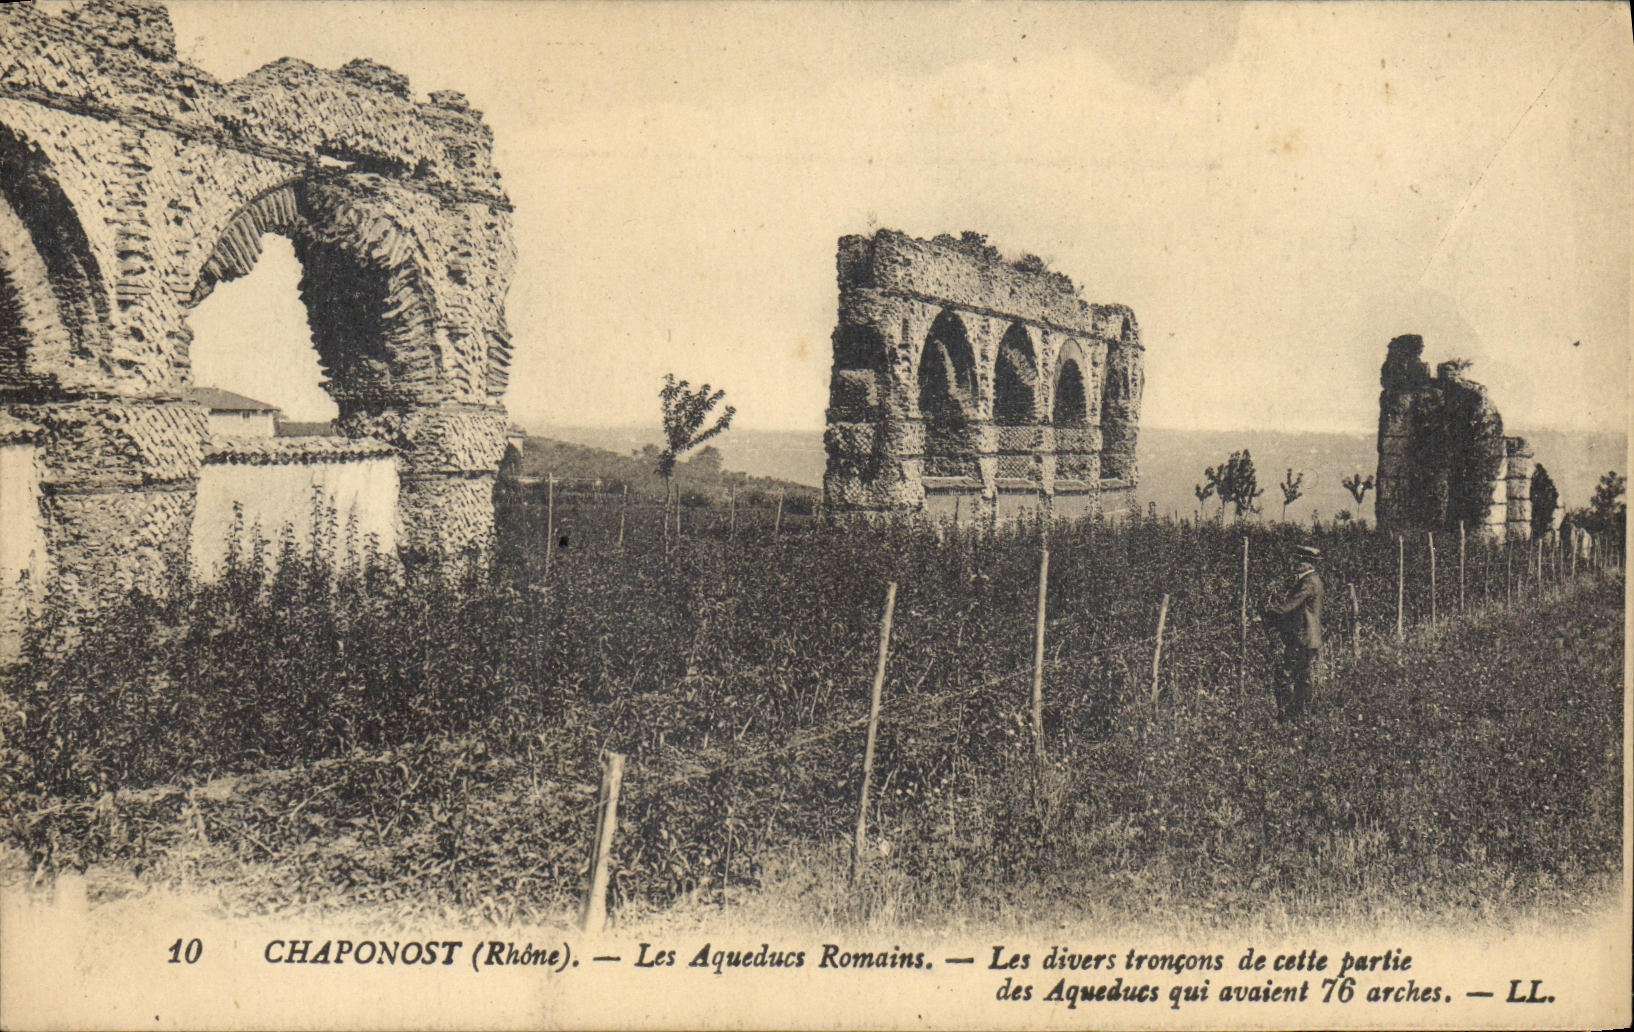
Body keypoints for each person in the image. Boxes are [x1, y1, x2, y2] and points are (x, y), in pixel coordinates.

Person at [1262, 544, 1323, 721]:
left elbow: (1288, 607)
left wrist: (1266, 612)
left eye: (1301, 561)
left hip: (1304, 637)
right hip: (1309, 636)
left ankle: (1295, 714)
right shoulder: (1313, 580)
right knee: (1302, 675)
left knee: (1294, 674)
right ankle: (1303, 714)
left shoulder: (1308, 583)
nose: (1296, 563)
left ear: (1309, 564)